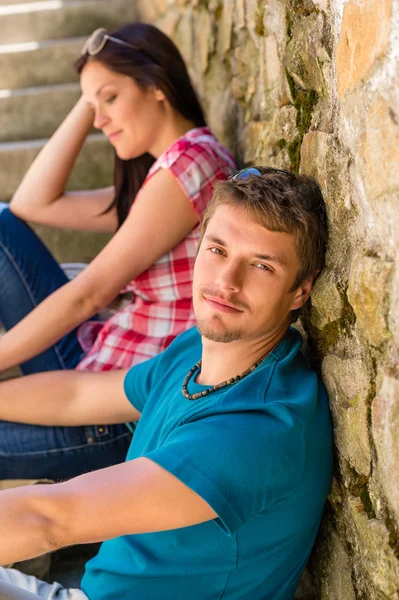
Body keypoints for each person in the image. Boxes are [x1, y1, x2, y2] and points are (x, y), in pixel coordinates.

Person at [0, 167, 333, 600]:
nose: (226, 283)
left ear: (300, 291)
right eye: (218, 250)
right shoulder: (196, 348)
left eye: (261, 266)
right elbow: (79, 394)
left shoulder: (262, 430)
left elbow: (50, 521)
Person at [0, 23, 236, 480]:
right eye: (94, 107)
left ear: (156, 86)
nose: (100, 119)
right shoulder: (165, 173)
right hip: (98, 366)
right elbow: (31, 204)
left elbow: (87, 296)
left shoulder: (189, 165)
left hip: (117, 414)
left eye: (110, 99)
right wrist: (92, 92)